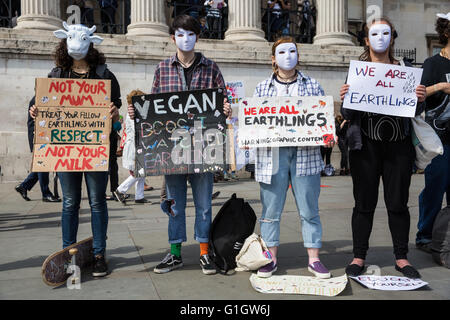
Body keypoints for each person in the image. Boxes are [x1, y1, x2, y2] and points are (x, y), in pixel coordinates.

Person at [127, 15, 231, 275]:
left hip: (203, 148)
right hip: (171, 150)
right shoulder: (162, 69)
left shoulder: (211, 68)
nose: (186, 39)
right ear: (172, 38)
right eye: (181, 34)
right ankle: (175, 253)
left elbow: (223, 100)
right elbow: (152, 108)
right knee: (174, 203)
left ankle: (204, 252)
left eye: (191, 34)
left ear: (198, 37)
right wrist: (136, 113)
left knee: (204, 203)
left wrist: (227, 108)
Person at [29, 22, 122, 277]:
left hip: (96, 151)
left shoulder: (105, 75)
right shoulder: (56, 75)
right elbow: (40, 105)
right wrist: (35, 111)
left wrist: (115, 114)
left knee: (96, 202)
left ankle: (99, 254)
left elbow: (118, 119)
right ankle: (67, 254)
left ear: (92, 43)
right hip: (66, 151)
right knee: (69, 203)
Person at [340, 18, 426, 279]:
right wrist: (345, 95)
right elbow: (347, 112)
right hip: (364, 145)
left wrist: (420, 99)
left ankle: (401, 257)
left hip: (398, 146)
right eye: (373, 34)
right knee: (363, 203)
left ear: (392, 38)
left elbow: (415, 110)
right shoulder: (359, 71)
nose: (379, 38)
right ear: (366, 40)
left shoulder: (405, 68)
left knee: (397, 203)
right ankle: (358, 256)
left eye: (385, 33)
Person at [253, 36, 334, 279]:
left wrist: (328, 135)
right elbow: (253, 122)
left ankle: (314, 258)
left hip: (306, 153)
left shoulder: (313, 85)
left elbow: (323, 118)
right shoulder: (261, 88)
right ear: (273, 59)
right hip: (272, 155)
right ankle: (270, 258)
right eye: (282, 52)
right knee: (271, 209)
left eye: (292, 51)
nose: (288, 56)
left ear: (298, 55)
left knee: (309, 208)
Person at [416, 12, 450, 252]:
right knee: (435, 188)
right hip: (440, 138)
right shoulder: (433, 63)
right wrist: (441, 86)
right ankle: (425, 235)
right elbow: (417, 95)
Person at [15, 97, 61, 203]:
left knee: (41, 165)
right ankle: (45, 194)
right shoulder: (38, 98)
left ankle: (24, 186)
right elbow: (32, 123)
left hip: (47, 137)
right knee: (43, 166)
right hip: (39, 138)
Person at [114, 90, 150, 205]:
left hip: (136, 145)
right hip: (135, 146)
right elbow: (137, 131)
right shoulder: (133, 114)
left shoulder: (132, 112)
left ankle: (139, 196)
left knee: (142, 171)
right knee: (139, 171)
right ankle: (120, 190)